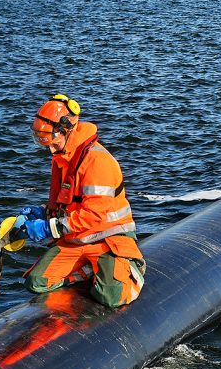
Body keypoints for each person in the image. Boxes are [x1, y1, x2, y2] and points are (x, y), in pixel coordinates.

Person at [19, 94, 145, 307]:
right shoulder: (62, 158)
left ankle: (131, 267)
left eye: (53, 141)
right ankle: (88, 271)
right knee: (36, 282)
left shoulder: (97, 161)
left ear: (66, 130)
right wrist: (44, 212)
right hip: (77, 238)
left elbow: (94, 215)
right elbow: (68, 203)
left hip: (108, 238)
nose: (49, 149)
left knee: (111, 297)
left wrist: (48, 228)